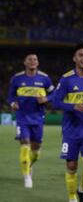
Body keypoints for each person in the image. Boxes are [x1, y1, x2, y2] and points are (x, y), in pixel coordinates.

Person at [53, 43, 83, 202]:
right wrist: (72, 106)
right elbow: (55, 102)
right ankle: (72, 197)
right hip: (71, 130)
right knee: (72, 166)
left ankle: (82, 189)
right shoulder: (67, 79)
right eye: (81, 55)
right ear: (75, 58)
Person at [7, 53, 54, 188]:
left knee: (36, 151)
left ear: (38, 63)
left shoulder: (45, 79)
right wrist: (13, 104)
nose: (33, 61)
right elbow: (10, 96)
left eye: (35, 59)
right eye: (30, 59)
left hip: (38, 118)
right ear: (25, 62)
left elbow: (54, 93)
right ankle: (27, 176)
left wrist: (46, 99)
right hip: (22, 117)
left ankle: (29, 165)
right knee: (25, 143)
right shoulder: (16, 79)